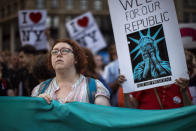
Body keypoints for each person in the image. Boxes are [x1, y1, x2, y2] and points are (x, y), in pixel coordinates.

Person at [31, 39, 110, 106]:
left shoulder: (95, 87)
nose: (58, 54)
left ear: (76, 58)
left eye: (65, 50)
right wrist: (37, 106)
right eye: (54, 52)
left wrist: (82, 111)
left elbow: (105, 117)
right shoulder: (39, 90)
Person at [118, 75, 193, 109]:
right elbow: (131, 111)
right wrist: (126, 91)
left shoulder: (180, 82)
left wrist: (184, 91)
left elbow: (189, 111)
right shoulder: (142, 82)